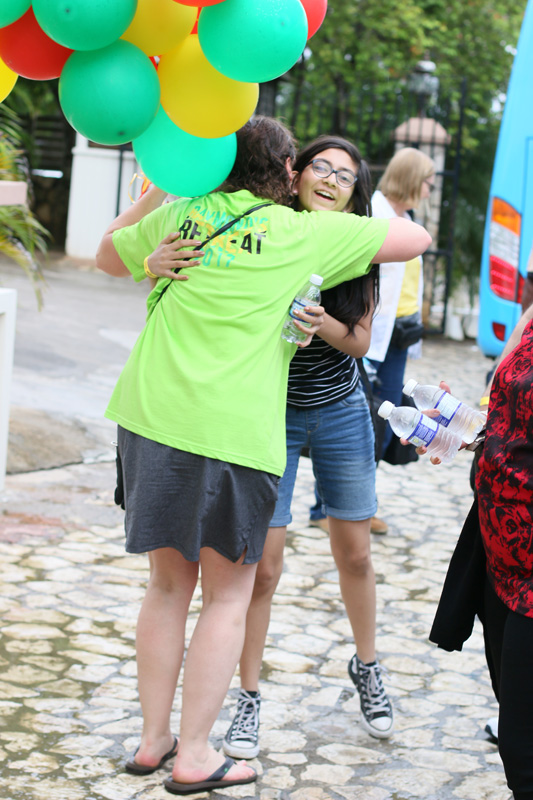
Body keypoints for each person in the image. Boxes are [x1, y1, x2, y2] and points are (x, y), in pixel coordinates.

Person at [95, 116, 431, 795]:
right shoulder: (301, 233)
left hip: (150, 416)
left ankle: (152, 741)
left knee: (166, 587)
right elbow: (414, 238)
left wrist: (161, 191)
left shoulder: (184, 215)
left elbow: (105, 255)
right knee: (228, 596)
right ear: (285, 171)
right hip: (231, 431)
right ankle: (195, 755)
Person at [217, 135, 394, 760]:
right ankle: (248, 696)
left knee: (356, 554)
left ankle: (367, 664)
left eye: (344, 176)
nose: (330, 180)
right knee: (262, 568)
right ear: (295, 176)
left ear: (353, 195)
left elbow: (362, 342)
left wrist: (323, 325)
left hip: (341, 410)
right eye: (321, 166)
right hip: (274, 412)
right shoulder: (273, 233)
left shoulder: (358, 247)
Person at [429, 303, 533, 800]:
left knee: (522, 747)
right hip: (499, 550)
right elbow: (504, 414)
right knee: (515, 721)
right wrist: (459, 427)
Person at [367, 147, 436, 458]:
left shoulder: (407, 219)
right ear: (411, 179)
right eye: (428, 183)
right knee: (362, 419)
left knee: (387, 420)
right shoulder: (372, 213)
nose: (429, 191)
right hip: (373, 331)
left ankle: (365, 488)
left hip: (400, 336)